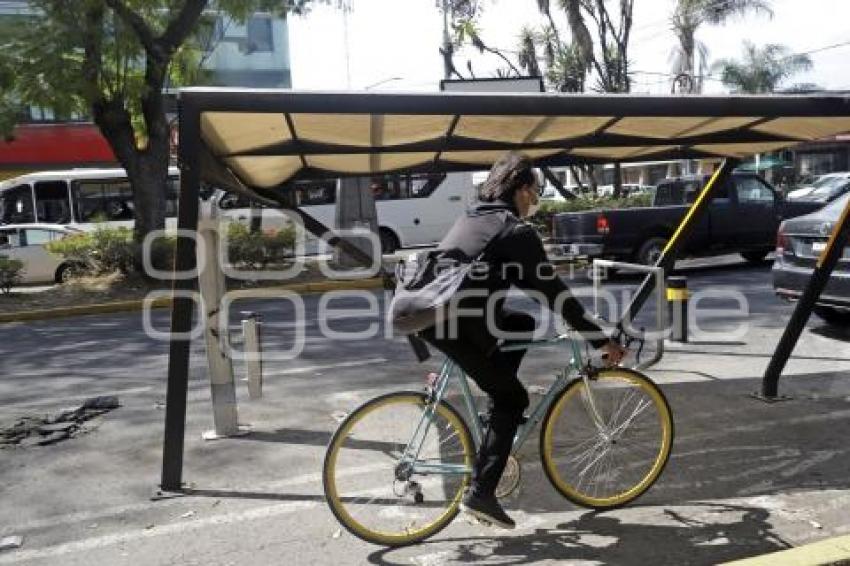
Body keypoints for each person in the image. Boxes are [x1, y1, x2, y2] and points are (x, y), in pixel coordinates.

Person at [419, 151, 625, 529]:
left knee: (519, 322)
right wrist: (600, 339)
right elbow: (554, 292)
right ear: (524, 190)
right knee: (513, 397)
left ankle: (497, 411)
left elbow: (536, 289)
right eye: (537, 192)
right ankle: (481, 494)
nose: (536, 200)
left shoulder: (478, 215)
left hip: (438, 316)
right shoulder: (514, 230)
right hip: (454, 323)